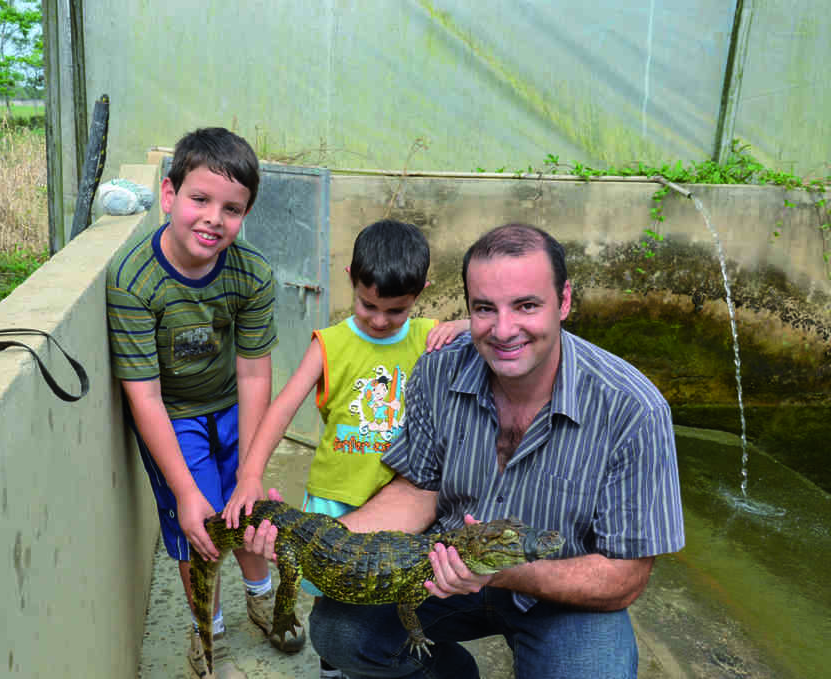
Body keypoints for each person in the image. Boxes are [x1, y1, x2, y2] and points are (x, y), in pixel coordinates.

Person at [242, 223, 685, 679]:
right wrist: (319, 539)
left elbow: (624, 575)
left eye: (527, 305)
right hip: (441, 571)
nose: (504, 330)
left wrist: (495, 572)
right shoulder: (436, 372)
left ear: (564, 301)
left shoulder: (634, 408)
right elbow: (416, 490)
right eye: (485, 308)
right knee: (340, 632)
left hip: (560, 591)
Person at [220, 219, 469, 679]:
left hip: (403, 504)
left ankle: (373, 660)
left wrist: (466, 323)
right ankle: (331, 664)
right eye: (367, 303)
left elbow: (490, 336)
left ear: (422, 292)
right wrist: (249, 474)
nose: (378, 319)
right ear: (351, 276)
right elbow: (281, 410)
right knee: (331, 597)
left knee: (392, 595)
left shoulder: (431, 338)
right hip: (335, 499)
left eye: (395, 310)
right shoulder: (330, 343)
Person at [106, 127, 304, 679]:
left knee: (248, 508)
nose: (214, 218)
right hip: (173, 417)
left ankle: (262, 599)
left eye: (232, 208)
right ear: (169, 195)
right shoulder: (133, 280)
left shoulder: (252, 273)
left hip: (234, 408)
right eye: (200, 199)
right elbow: (142, 394)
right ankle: (207, 630)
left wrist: (252, 466)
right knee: (200, 529)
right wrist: (187, 491)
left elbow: (253, 371)